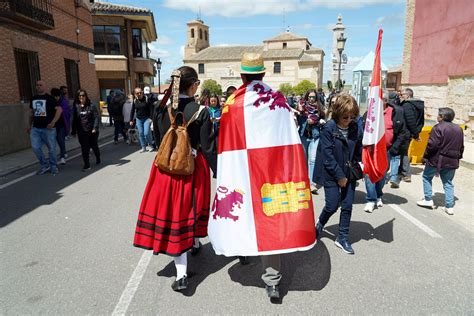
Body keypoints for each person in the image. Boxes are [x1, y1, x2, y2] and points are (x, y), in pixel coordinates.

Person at [208, 53, 316, 301]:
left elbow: (223, 141)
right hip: (271, 170)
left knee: (242, 213)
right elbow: (290, 137)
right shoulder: (277, 100)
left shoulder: (232, 102)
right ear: (264, 74)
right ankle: (272, 282)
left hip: (242, 171)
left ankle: (243, 251)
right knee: (270, 222)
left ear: (242, 75)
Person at [133, 66, 217, 292]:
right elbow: (208, 147)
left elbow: (158, 138)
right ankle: (183, 274)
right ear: (193, 85)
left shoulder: (161, 108)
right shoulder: (201, 111)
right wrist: (219, 170)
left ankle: (194, 245)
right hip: (191, 169)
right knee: (190, 210)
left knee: (173, 215)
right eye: (197, 84)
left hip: (165, 170)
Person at [313, 93, 362, 255]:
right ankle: (320, 223)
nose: (348, 120)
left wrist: (359, 164)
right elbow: (327, 156)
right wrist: (340, 176)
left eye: (352, 117)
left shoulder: (355, 127)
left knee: (347, 206)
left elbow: (357, 149)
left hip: (349, 173)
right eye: (345, 117)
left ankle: (342, 238)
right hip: (331, 172)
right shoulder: (328, 128)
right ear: (337, 113)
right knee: (332, 204)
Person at [417, 108, 464, 215]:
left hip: (437, 159)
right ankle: (449, 206)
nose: (437, 117)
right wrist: (458, 157)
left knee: (426, 177)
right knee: (448, 183)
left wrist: (425, 157)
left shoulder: (438, 127)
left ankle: (428, 199)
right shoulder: (458, 128)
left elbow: (432, 145)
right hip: (452, 160)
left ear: (442, 117)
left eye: (438, 115)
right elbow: (461, 146)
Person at [363, 91, 395, 213]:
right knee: (369, 174)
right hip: (370, 150)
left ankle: (378, 195)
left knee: (381, 174)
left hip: (386, 150)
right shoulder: (369, 113)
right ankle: (371, 199)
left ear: (385, 101)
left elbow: (401, 132)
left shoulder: (394, 113)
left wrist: (394, 148)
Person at [27, 80, 62, 176]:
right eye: (37, 85)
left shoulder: (50, 98)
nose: (38, 86)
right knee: (35, 147)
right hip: (36, 128)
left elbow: (59, 110)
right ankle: (44, 165)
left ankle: (53, 166)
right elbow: (31, 113)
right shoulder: (33, 99)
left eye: (40, 85)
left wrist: (53, 122)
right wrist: (29, 125)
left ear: (45, 87)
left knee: (51, 148)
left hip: (48, 129)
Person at [297, 89, 326, 194]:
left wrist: (318, 121)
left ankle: (311, 183)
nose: (311, 99)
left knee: (312, 159)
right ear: (307, 97)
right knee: (304, 159)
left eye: (313, 97)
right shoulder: (302, 106)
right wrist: (300, 113)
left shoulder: (319, 108)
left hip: (315, 135)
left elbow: (323, 119)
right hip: (304, 135)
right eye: (310, 97)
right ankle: (304, 180)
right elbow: (298, 119)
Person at [71, 89, 101, 171]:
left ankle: (98, 157)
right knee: (84, 148)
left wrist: (95, 128)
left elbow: (96, 117)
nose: (81, 97)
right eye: (80, 96)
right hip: (82, 131)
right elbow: (75, 119)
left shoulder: (91, 105)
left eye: (83, 95)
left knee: (94, 146)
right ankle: (87, 165)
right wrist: (73, 131)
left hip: (92, 131)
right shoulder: (76, 106)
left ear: (86, 96)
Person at [399, 88, 424, 182]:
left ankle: (406, 173)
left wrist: (416, 135)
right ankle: (401, 171)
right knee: (402, 152)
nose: (400, 96)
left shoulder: (407, 105)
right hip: (410, 132)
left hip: (406, 132)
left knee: (403, 152)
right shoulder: (418, 104)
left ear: (408, 95)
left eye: (402, 95)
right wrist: (417, 132)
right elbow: (421, 121)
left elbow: (410, 121)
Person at [387, 92, 410, 188]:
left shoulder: (386, 109)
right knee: (395, 157)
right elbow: (403, 128)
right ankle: (393, 177)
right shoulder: (400, 109)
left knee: (387, 157)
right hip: (397, 138)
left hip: (388, 138)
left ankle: (384, 176)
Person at [130, 87, 155, 152]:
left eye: (141, 92)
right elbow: (132, 111)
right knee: (140, 133)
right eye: (137, 93)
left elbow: (151, 109)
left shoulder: (147, 99)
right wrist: (131, 120)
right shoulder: (135, 101)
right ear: (135, 94)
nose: (139, 94)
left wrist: (151, 118)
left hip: (146, 118)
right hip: (139, 119)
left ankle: (150, 145)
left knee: (146, 133)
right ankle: (143, 147)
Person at [50, 88, 68, 165]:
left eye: (57, 96)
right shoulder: (50, 102)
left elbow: (67, 112)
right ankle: (63, 152)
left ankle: (62, 157)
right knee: (54, 142)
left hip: (61, 125)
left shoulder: (63, 102)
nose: (56, 98)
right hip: (53, 126)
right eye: (54, 96)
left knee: (61, 140)